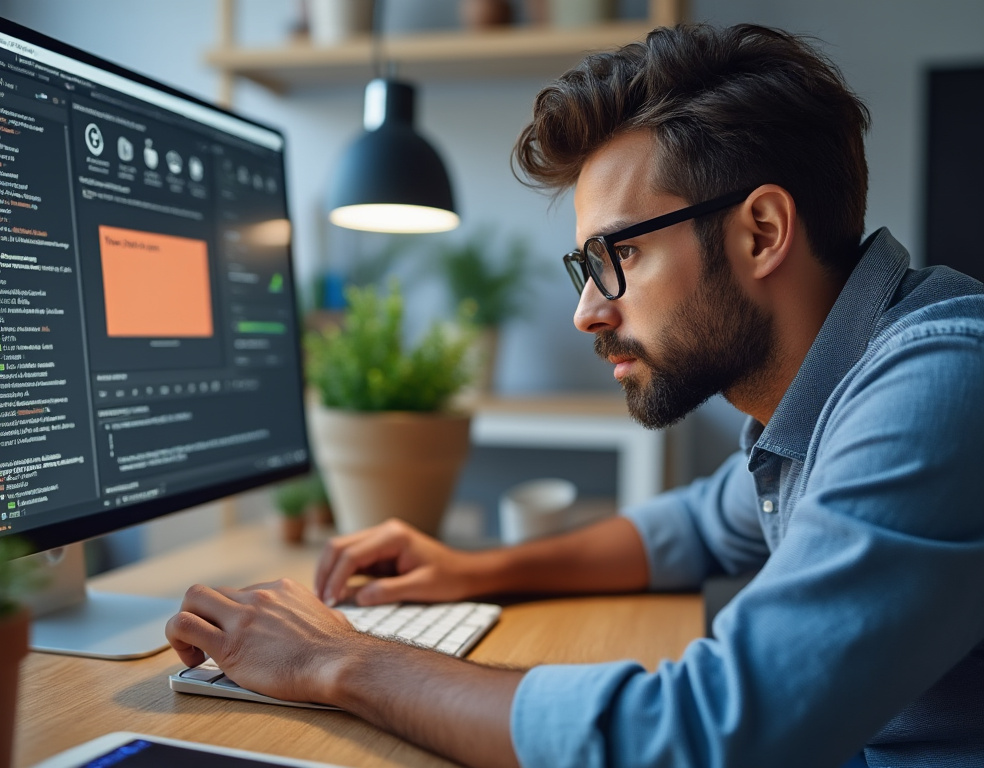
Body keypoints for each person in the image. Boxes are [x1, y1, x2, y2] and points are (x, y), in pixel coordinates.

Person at [165, 23, 984, 768]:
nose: (588, 310)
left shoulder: (938, 387)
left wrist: (334, 658)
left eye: (614, 256)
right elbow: (699, 523)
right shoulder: (828, 396)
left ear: (761, 232)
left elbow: (710, 733)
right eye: (583, 268)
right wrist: (471, 570)